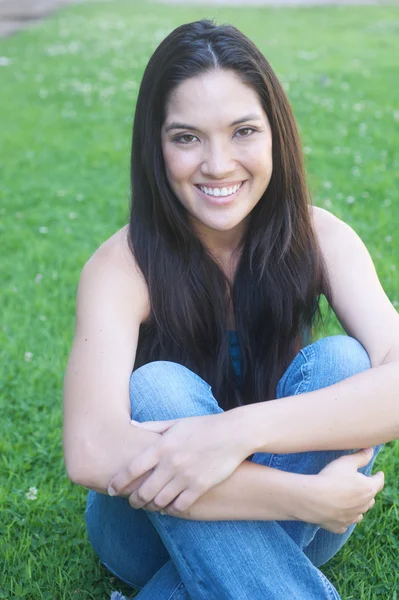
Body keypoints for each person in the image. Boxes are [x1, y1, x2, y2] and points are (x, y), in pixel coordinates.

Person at [62, 19, 399, 600]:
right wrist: (299, 497)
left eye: (243, 130)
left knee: (345, 359)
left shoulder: (323, 239)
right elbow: (92, 450)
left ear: (276, 135)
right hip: (151, 526)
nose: (218, 165)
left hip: (294, 517)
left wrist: (231, 434)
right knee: (159, 388)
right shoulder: (123, 265)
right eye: (187, 137)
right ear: (156, 145)